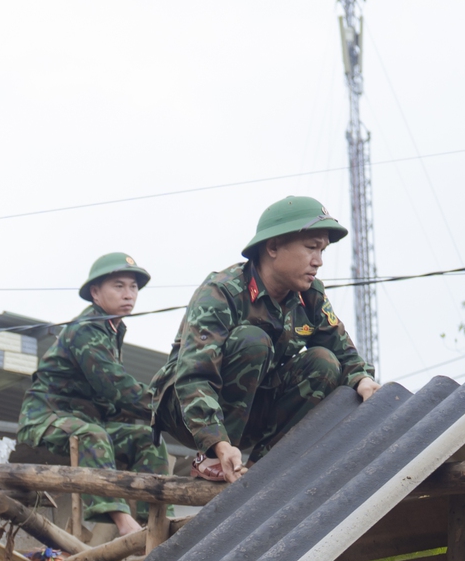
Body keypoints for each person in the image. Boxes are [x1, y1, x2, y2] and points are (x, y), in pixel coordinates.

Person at [153, 197, 378, 483]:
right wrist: (218, 442)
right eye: (311, 248)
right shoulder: (222, 292)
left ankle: (263, 469)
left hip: (251, 410)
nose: (319, 261)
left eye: (322, 250)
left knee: (324, 363)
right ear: (272, 247)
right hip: (187, 412)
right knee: (253, 341)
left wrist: (363, 380)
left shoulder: (310, 296)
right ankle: (210, 458)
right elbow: (194, 377)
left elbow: (343, 353)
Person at [17, 252, 170, 541]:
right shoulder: (87, 329)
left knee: (146, 440)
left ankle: (158, 520)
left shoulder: (112, 327)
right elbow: (116, 387)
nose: (129, 294)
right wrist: (166, 407)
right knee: (93, 435)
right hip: (46, 419)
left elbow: (110, 399)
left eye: (134, 287)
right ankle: (124, 523)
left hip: (83, 418)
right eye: (119, 286)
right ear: (95, 293)